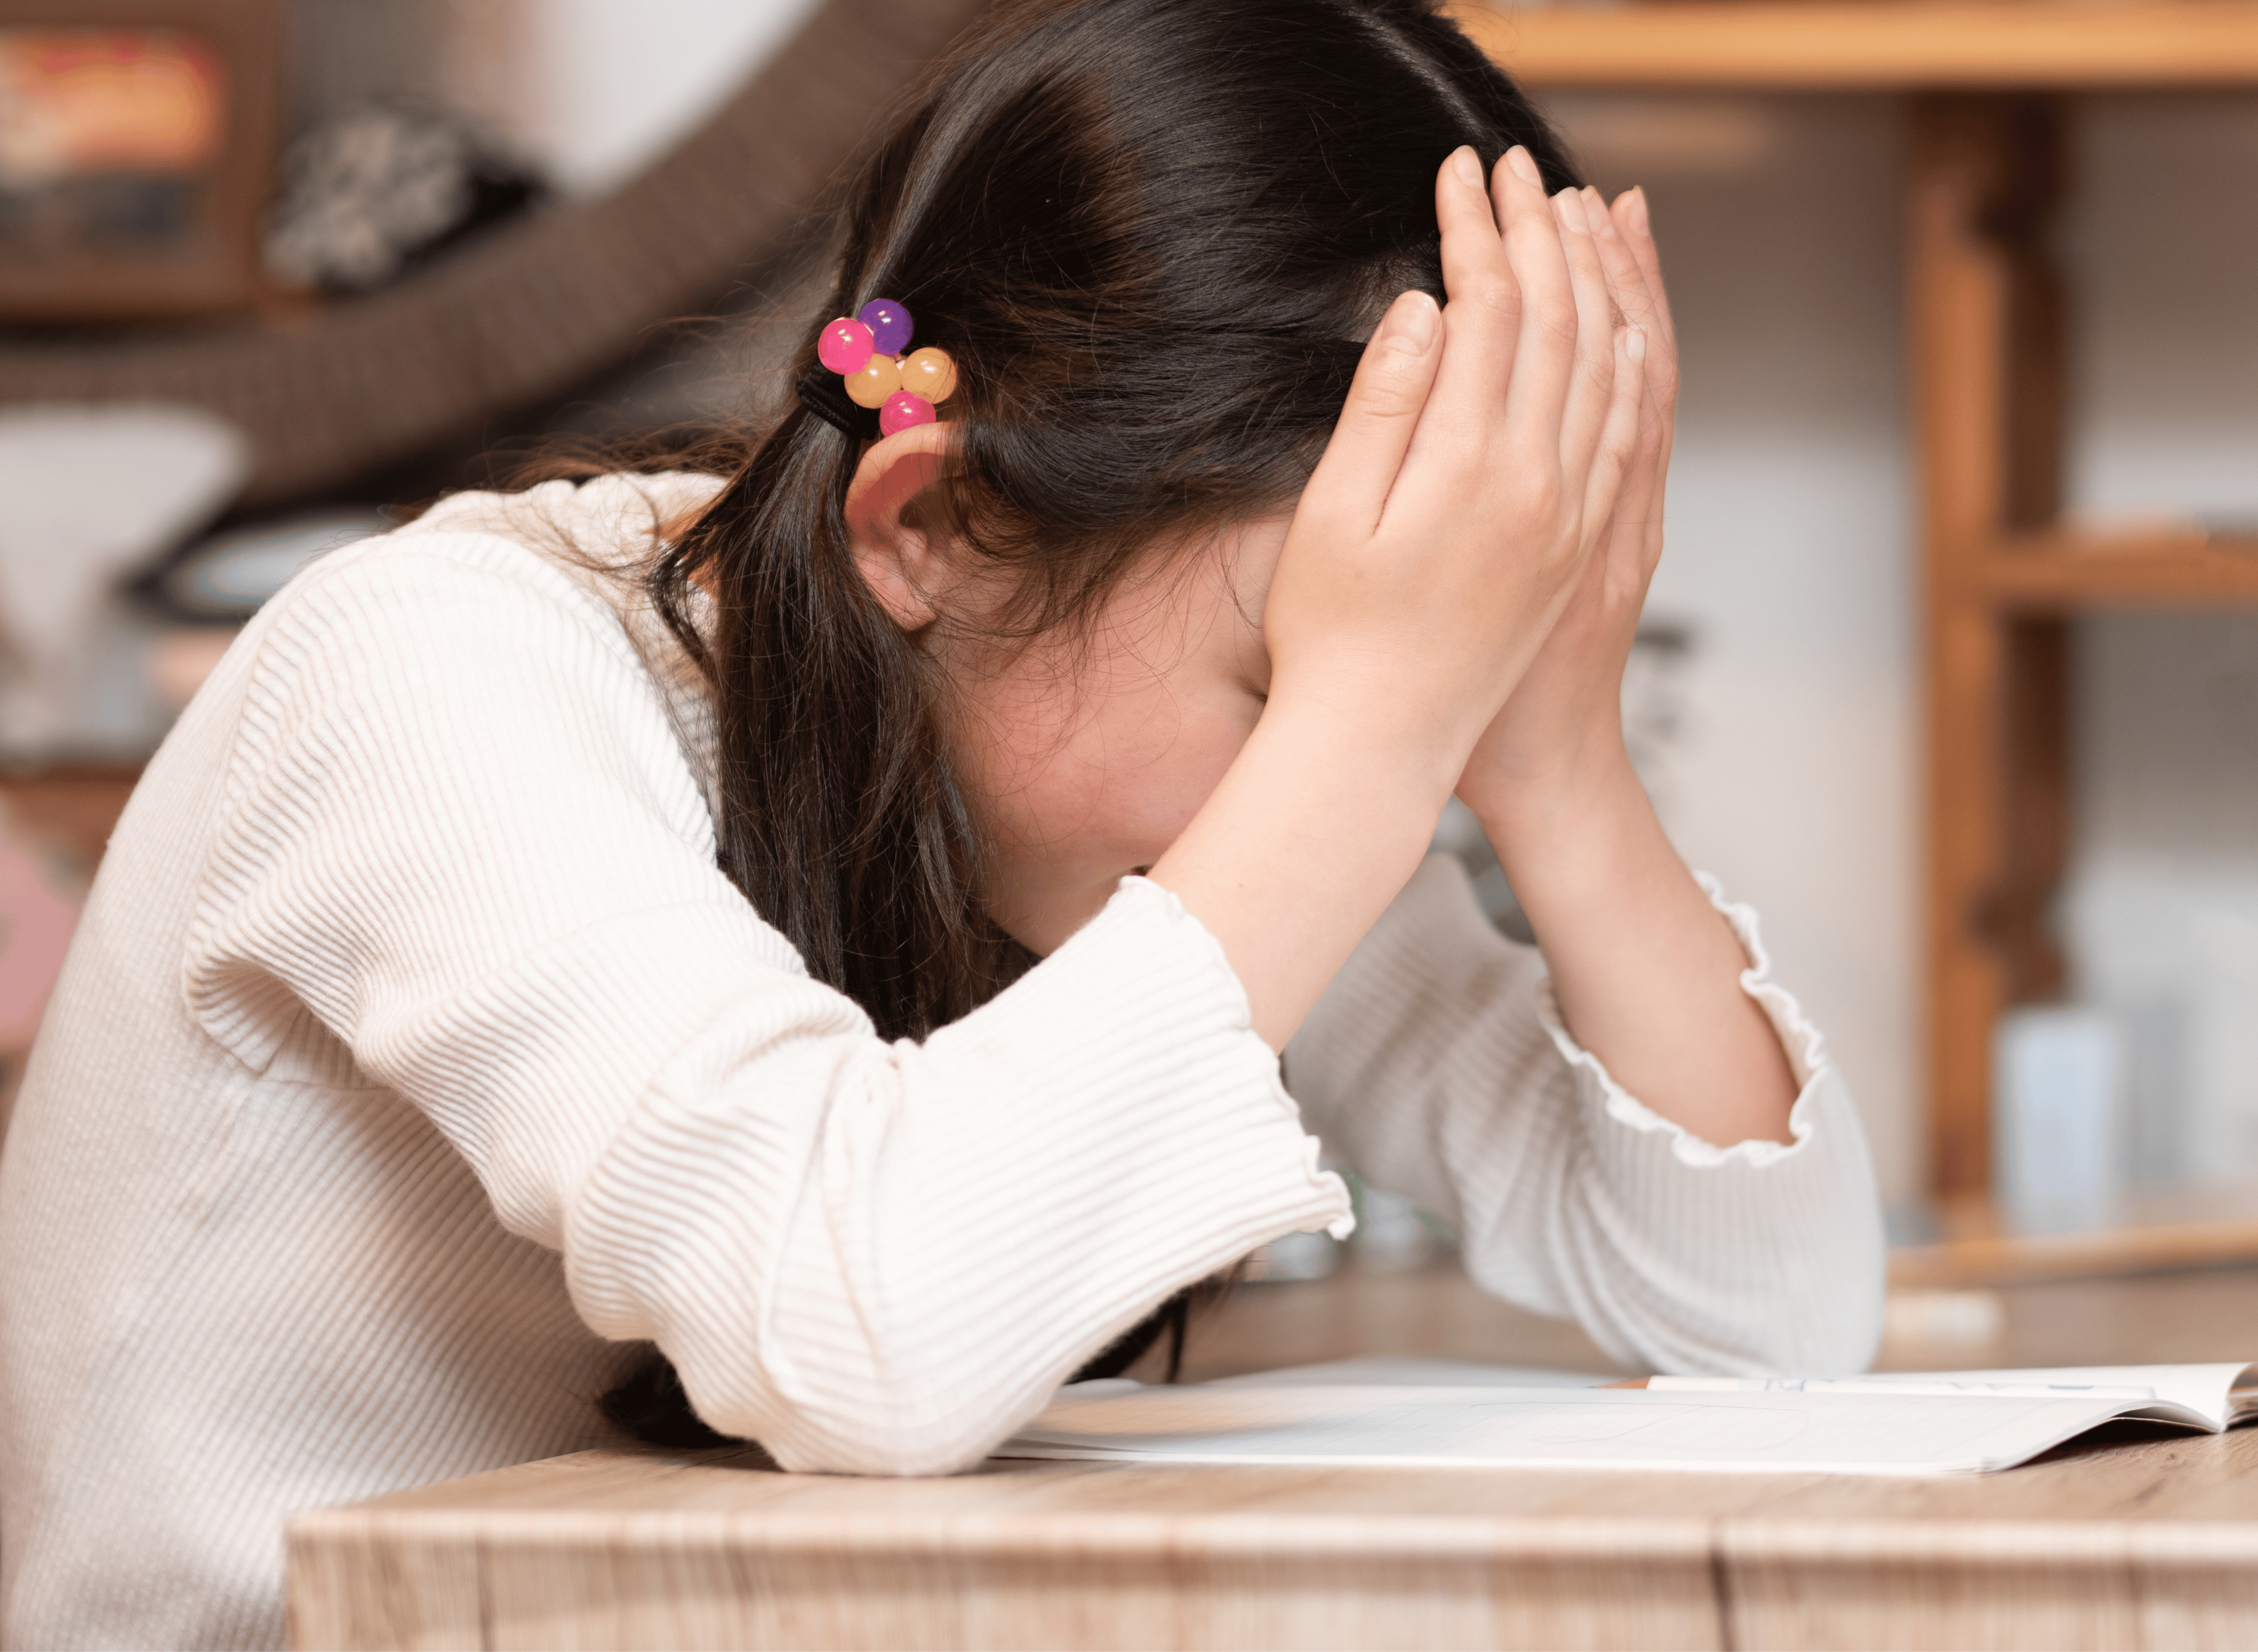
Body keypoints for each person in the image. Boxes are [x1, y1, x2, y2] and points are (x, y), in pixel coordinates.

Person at [0, 3, 1887, 1644]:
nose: (1352, 780)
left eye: (1410, 689)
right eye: (1289, 679)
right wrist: (1379, 719)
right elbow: (864, 1329)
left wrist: (1549, 747)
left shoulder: (1090, 793)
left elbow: (1770, 1318)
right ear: (940, 528)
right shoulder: (433, 674)